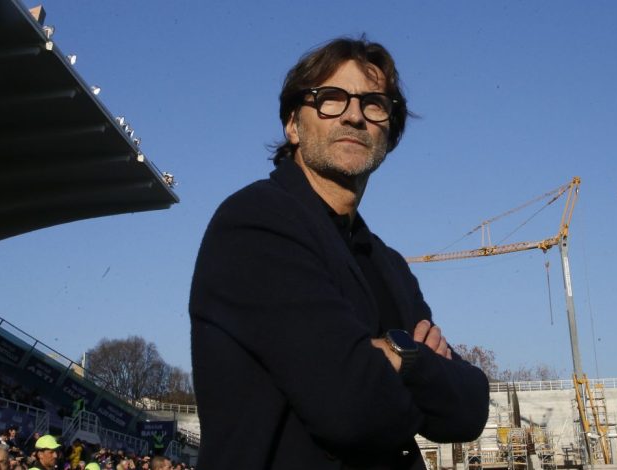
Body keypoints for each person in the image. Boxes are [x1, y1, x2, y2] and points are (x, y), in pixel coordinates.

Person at [189, 36, 490, 469]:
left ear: (389, 132)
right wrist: (418, 361)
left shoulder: (389, 264)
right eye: (330, 98)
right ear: (293, 125)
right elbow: (352, 407)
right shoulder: (255, 222)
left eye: (374, 104)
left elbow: (469, 410)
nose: (354, 115)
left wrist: (395, 357)